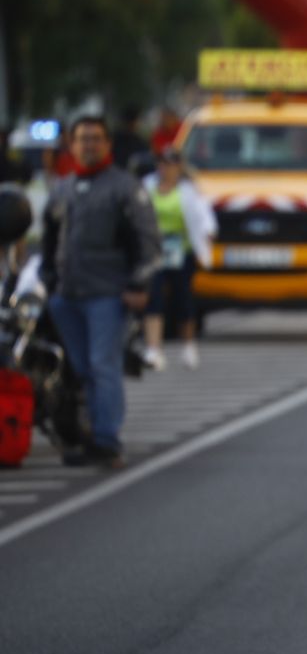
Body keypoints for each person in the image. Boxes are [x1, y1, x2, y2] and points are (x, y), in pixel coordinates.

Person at [40, 115, 161, 468]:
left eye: (95, 138)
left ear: (108, 144)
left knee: (102, 364)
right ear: (72, 145)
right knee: (81, 368)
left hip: (107, 293)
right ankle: (91, 433)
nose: (88, 145)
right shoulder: (62, 188)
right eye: (82, 139)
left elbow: (149, 241)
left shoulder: (125, 188)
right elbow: (47, 240)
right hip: (67, 294)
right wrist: (49, 283)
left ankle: (107, 438)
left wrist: (139, 284)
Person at [141, 146, 217, 370]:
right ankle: (153, 348)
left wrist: (207, 238)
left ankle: (188, 344)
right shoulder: (147, 187)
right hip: (154, 251)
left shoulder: (188, 190)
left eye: (170, 164)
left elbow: (204, 218)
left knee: (183, 298)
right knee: (153, 298)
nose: (165, 169)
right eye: (161, 164)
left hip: (181, 250)